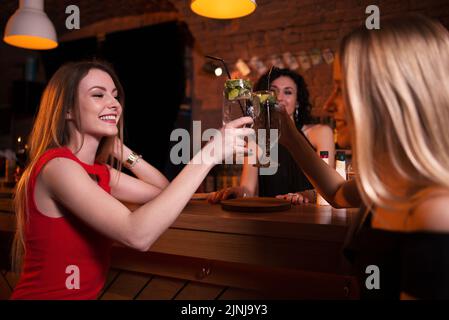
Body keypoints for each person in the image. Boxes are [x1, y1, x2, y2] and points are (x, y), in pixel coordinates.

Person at [10, 60, 253, 299]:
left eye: (115, 96)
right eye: (98, 95)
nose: (114, 104)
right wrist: (209, 153)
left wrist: (122, 151)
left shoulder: (98, 171)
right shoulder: (58, 166)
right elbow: (137, 235)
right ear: (68, 110)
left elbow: (164, 192)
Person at [277, 14, 449, 299]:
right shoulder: (393, 184)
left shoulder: (435, 212)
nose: (330, 104)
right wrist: (291, 135)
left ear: (391, 97)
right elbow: (336, 192)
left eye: (342, 90)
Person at [209, 68, 335, 204]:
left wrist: (305, 195)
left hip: (310, 218)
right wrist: (236, 191)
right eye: (273, 91)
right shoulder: (256, 139)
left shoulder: (321, 133)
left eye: (288, 92)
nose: (280, 97)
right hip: (268, 219)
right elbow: (248, 190)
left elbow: (330, 187)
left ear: (297, 101)